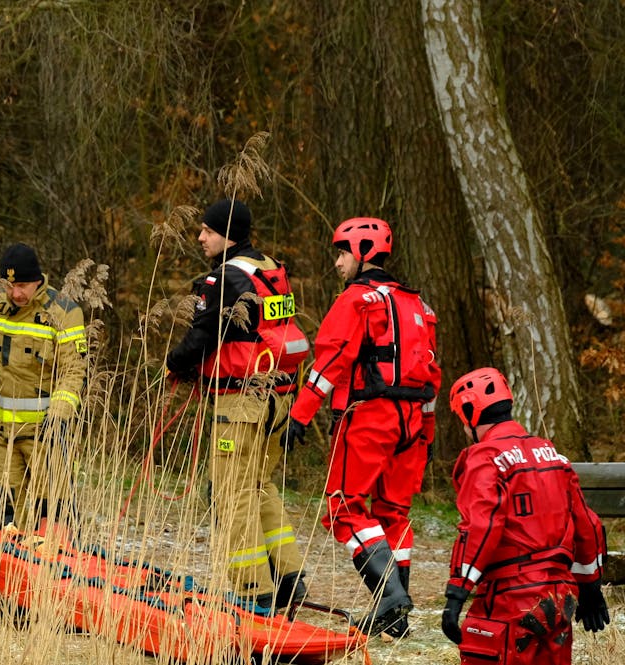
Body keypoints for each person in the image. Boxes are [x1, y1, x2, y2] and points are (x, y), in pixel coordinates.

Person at [443, 367, 613, 665]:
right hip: (559, 599)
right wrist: (591, 585)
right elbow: (587, 524)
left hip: (509, 599)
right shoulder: (552, 455)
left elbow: (481, 526)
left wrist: (457, 593)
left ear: (471, 411)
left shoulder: (485, 458)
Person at [280, 217, 440, 636]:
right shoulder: (417, 305)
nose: (337, 263)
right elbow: (431, 374)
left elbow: (331, 361)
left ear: (363, 252)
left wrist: (300, 414)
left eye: (342, 253)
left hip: (369, 417)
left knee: (343, 507)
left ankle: (389, 597)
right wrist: (427, 431)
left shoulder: (358, 300)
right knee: (393, 513)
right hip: (411, 422)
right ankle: (397, 618)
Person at [165, 199, 311, 615]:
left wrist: (174, 364)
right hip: (279, 398)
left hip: (241, 402)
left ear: (228, 234)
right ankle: (289, 577)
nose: (200, 237)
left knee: (230, 494)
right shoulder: (270, 268)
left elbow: (203, 334)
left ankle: (253, 591)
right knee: (258, 486)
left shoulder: (225, 277)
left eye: (208, 231)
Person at [0, 243, 87, 536]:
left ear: (38, 280)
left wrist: (59, 416)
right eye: (10, 286)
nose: (15, 294)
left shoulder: (63, 312)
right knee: (0, 508)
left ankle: (47, 574)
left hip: (42, 433)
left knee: (48, 506)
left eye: (22, 286)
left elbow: (74, 370)